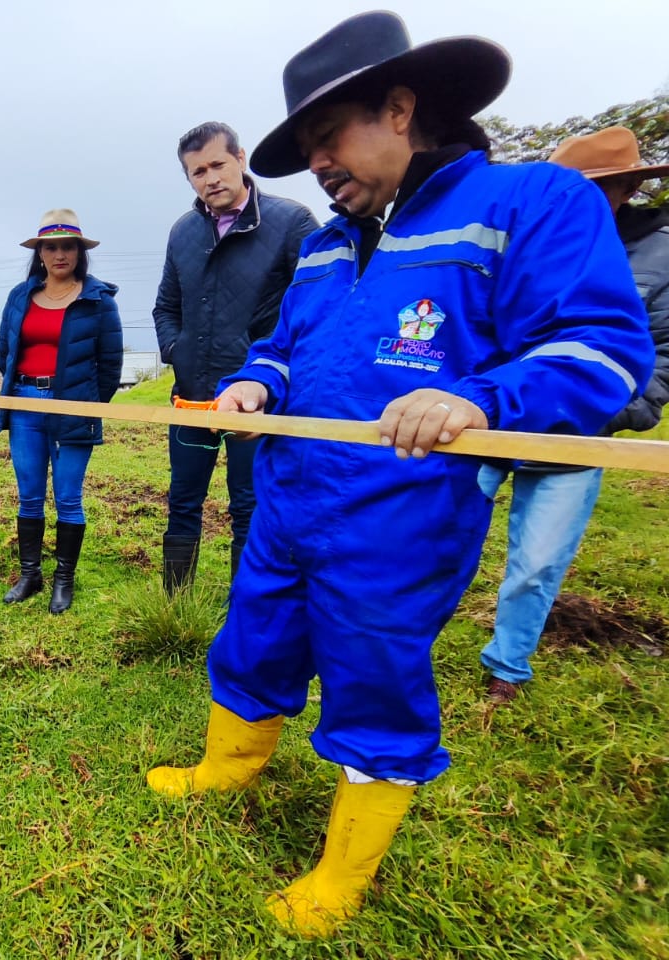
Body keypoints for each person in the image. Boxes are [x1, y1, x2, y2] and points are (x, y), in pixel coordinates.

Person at [143, 12, 653, 937]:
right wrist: (257, 383)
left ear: (402, 105)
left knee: (374, 679)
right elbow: (286, 345)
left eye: (326, 139)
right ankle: (227, 766)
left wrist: (485, 401)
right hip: (292, 499)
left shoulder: (530, 203)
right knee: (253, 635)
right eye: (305, 149)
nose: (318, 166)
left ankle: (343, 871)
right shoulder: (332, 242)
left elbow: (605, 353)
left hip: (402, 517)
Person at [479, 126, 669, 703]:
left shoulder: (658, 256)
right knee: (429, 521)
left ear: (628, 187)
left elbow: (660, 357)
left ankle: (505, 668)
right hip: (492, 420)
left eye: (594, 187)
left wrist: (607, 413)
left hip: (574, 436)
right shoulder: (528, 239)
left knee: (538, 560)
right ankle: (401, 632)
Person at [153, 124, 318, 592]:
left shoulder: (291, 223)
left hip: (256, 403)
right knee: (183, 499)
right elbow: (166, 305)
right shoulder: (183, 231)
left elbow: (318, 309)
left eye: (217, 164)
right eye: (196, 172)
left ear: (240, 158)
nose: (210, 178)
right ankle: (174, 599)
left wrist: (273, 374)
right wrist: (176, 350)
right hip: (192, 399)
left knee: (249, 505)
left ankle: (245, 607)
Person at [0, 209, 123, 614]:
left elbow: (111, 364)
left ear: (79, 252)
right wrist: (23, 391)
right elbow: (5, 352)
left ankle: (63, 581)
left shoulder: (98, 300)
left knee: (68, 496)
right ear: (40, 253)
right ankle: (30, 574)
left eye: (68, 246)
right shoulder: (21, 296)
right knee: (29, 496)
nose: (59, 254)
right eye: (51, 247)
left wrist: (87, 405)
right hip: (25, 406)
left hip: (73, 409)